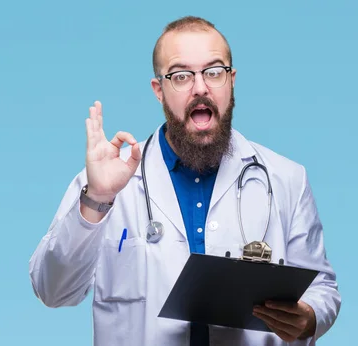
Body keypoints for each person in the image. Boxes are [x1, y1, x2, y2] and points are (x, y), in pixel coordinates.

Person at [28, 16, 341, 346]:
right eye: (181, 76)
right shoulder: (107, 182)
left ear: (231, 81)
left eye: (214, 72)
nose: (201, 87)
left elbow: (323, 289)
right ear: (158, 90)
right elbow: (52, 290)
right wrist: (97, 200)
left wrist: (309, 318)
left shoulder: (286, 179)